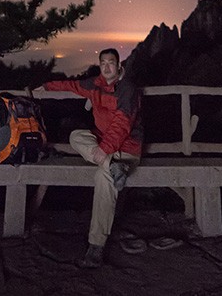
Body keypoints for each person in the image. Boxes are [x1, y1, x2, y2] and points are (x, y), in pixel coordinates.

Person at [36, 48, 143, 268]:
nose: (106, 67)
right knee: (76, 136)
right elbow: (71, 85)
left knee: (103, 179)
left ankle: (96, 247)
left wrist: (104, 149)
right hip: (107, 151)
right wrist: (46, 87)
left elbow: (122, 124)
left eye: (111, 63)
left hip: (127, 149)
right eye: (103, 63)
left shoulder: (128, 89)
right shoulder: (95, 84)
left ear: (119, 65)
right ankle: (113, 167)